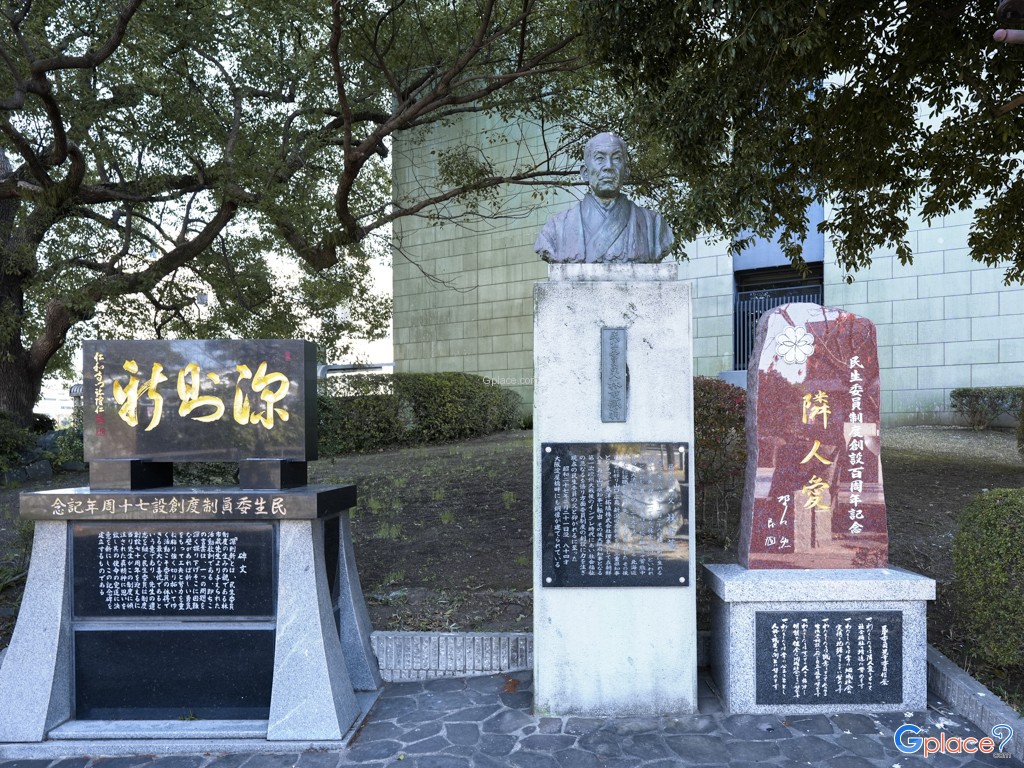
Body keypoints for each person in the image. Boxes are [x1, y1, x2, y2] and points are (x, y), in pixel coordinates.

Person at [534, 132, 674, 263]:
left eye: (617, 158)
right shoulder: (556, 228)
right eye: (600, 158)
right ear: (585, 173)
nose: (608, 166)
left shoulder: (654, 224)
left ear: (626, 172)